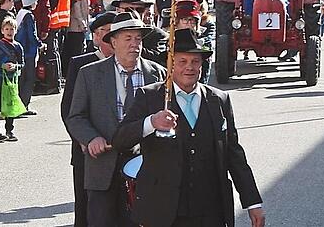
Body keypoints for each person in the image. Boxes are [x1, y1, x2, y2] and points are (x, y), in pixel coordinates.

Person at [113, 28, 265, 227]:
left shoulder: (219, 100)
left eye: (195, 61)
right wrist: (150, 122)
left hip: (210, 210)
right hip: (164, 212)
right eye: (182, 61)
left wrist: (253, 202)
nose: (189, 68)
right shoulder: (150, 97)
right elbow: (119, 139)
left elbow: (233, 154)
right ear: (170, 64)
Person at [65, 11, 167, 227]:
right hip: (102, 167)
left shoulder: (157, 74)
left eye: (138, 38)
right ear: (113, 41)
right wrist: (91, 138)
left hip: (145, 167)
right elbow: (75, 116)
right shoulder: (90, 74)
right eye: (128, 38)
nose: (134, 44)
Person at [61, 11, 118, 227]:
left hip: (118, 147)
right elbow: (69, 109)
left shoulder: (130, 66)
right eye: (106, 33)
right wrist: (84, 139)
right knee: (86, 208)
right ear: (95, 37)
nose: (111, 40)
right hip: (87, 148)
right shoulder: (81, 65)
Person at [0, 17, 25, 142]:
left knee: (11, 104)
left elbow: (22, 63)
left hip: (12, 81)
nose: (9, 31)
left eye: (12, 29)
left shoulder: (18, 46)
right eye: (7, 29)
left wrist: (16, 66)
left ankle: (9, 130)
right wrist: (1, 66)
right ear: (2, 30)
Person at [16, 0, 42, 114]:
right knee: (29, 79)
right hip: (29, 52)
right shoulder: (29, 16)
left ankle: (20, 104)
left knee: (22, 78)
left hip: (21, 51)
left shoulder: (20, 13)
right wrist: (40, 44)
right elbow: (32, 34)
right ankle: (24, 105)